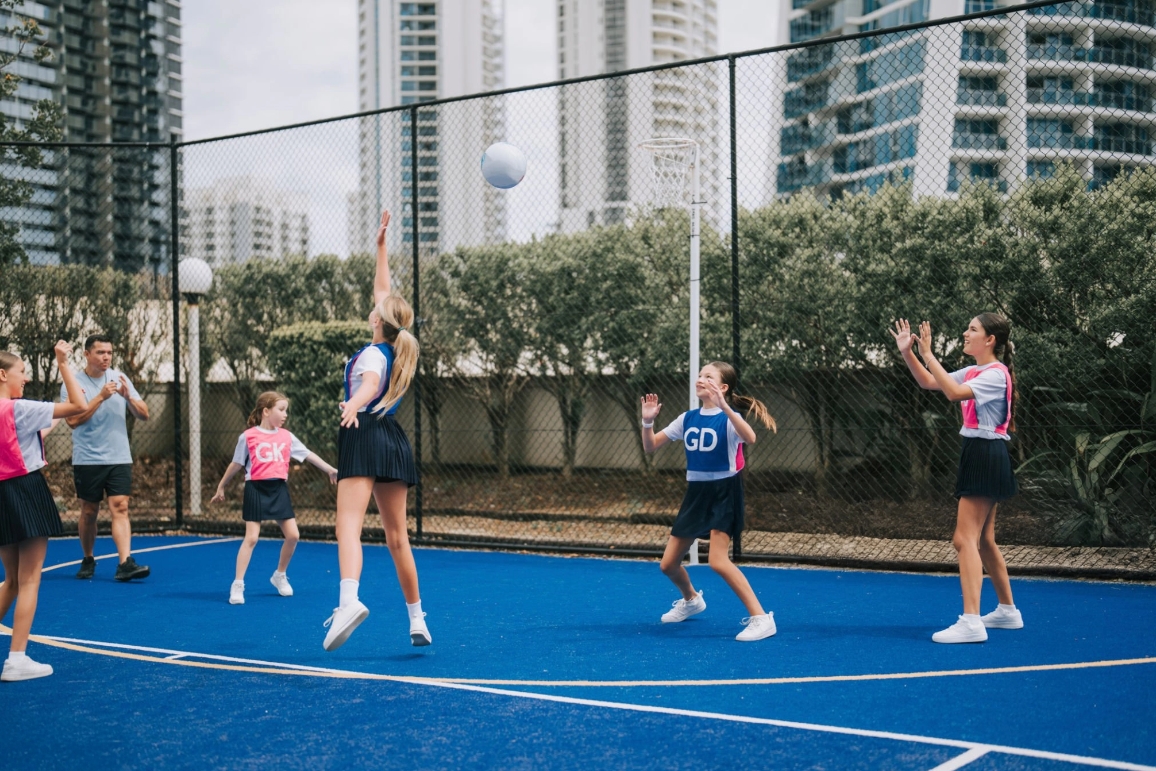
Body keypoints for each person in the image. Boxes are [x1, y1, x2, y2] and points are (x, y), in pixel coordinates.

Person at [322, 209, 426, 651]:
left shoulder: (371, 355)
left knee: (346, 523)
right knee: (397, 537)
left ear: (378, 321)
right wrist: (381, 245)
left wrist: (353, 406)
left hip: (364, 432)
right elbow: (383, 290)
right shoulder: (395, 348)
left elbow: (366, 385)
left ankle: (349, 601)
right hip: (392, 441)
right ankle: (417, 618)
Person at [890, 314, 1023, 644]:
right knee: (984, 540)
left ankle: (971, 622)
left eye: (973, 329)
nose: (966, 333)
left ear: (990, 339)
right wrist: (909, 352)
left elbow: (952, 393)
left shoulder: (995, 374)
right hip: (982, 452)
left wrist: (930, 353)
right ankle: (1007, 612)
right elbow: (930, 382)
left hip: (984, 454)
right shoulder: (977, 371)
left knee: (964, 539)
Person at [640, 361, 779, 642]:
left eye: (708, 376)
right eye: (700, 374)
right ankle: (691, 600)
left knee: (717, 561)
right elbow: (650, 446)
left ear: (723, 387)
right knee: (667, 565)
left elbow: (750, 438)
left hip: (724, 492)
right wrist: (647, 421)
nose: (700, 378)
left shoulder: (729, 417)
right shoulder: (687, 418)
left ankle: (762, 618)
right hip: (696, 493)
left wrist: (725, 406)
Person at [0, 341, 88, 681]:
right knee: (29, 578)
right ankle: (16, 659)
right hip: (25, 488)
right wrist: (64, 364)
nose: (25, 378)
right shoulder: (17, 408)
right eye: (21, 372)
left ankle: (17, 657)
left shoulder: (16, 412)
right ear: (3, 373)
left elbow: (29, 435)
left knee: (10, 580)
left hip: (2, 494)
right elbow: (78, 406)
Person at [211, 391, 337, 605]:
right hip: (256, 488)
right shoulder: (248, 436)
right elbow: (236, 464)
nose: (285, 414)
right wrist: (221, 486)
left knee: (293, 535)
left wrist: (329, 469)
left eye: (286, 410)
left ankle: (279, 575)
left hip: (278, 488)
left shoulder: (286, 436)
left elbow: (307, 454)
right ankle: (238, 584)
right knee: (251, 538)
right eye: (281, 409)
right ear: (266, 411)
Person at [63, 334, 150, 582]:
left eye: (109, 353)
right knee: (89, 511)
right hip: (88, 459)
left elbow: (144, 414)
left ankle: (125, 563)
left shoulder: (120, 377)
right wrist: (100, 397)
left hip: (119, 457)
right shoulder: (74, 382)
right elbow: (73, 421)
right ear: (87, 354)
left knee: (120, 506)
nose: (106, 357)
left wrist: (127, 396)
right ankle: (88, 558)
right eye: (100, 352)